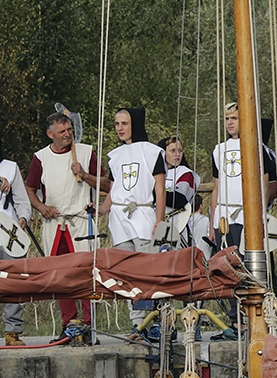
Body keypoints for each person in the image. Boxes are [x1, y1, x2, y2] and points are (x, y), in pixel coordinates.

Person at [26, 112, 110, 344]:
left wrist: (84, 175)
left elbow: (106, 182)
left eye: (69, 129)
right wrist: (41, 207)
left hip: (81, 219)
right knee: (60, 276)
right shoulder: (41, 158)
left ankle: (89, 326)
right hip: (55, 223)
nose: (67, 134)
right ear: (50, 134)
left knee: (86, 273)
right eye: (62, 131)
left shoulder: (85, 152)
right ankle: (69, 325)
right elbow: (30, 188)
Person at [208, 102, 276, 341]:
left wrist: (260, 216)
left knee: (250, 268)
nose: (230, 122)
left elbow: (264, 184)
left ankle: (257, 319)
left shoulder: (257, 147)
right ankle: (235, 322)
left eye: (234, 118)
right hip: (225, 216)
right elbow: (216, 186)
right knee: (227, 270)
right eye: (227, 118)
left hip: (247, 216)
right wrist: (212, 220)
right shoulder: (218, 149)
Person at [98, 108, 166, 334]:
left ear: (134, 124)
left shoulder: (152, 152)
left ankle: (153, 320)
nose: (119, 128)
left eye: (124, 123)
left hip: (144, 216)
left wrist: (160, 219)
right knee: (127, 274)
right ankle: (137, 323)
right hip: (120, 220)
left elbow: (159, 187)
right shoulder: (115, 156)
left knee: (147, 271)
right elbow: (115, 188)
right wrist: (102, 210)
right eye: (117, 123)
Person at [0, 139, 32, 346]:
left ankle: (12, 330)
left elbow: (22, 201)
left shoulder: (10, 167)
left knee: (14, 280)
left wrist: (23, 217)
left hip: (8, 231)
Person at [158, 135, 200, 248]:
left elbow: (179, 199)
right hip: (156, 224)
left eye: (180, 151)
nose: (177, 154)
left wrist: (156, 194)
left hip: (178, 226)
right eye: (172, 151)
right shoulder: (155, 174)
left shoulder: (185, 174)